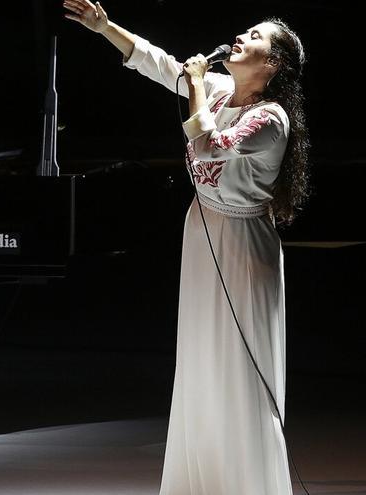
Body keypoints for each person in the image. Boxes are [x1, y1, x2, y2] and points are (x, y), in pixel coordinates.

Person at [64, 2, 311, 494]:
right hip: (201, 231)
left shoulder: (271, 118)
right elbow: (160, 64)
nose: (242, 34)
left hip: (242, 243)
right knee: (200, 361)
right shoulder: (219, 90)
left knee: (239, 370)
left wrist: (197, 82)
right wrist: (104, 27)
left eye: (256, 36)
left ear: (274, 63)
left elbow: (209, 147)